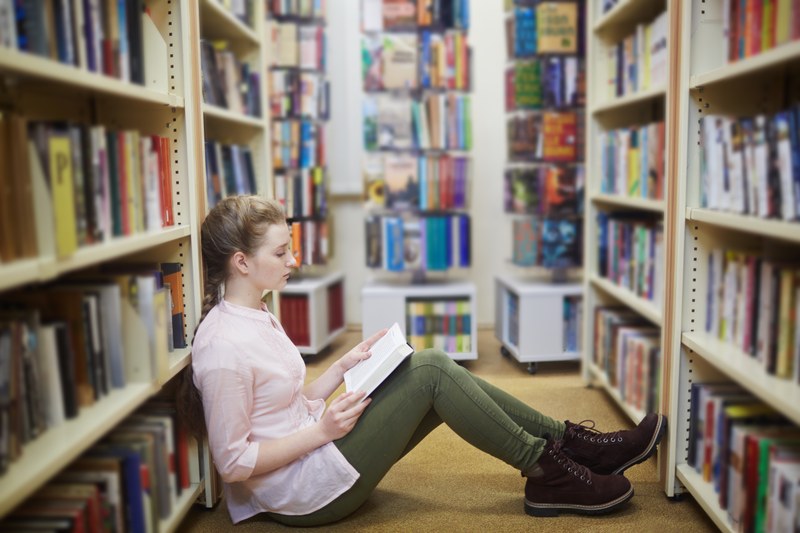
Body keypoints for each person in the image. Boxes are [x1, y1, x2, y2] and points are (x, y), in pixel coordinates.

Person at [178, 195, 667, 526]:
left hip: (312, 451)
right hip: (302, 495)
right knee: (431, 371)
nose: (294, 260)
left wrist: (343, 368)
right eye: (282, 252)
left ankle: (571, 449)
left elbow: (282, 405)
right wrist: (321, 432)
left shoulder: (255, 313)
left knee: (431, 366)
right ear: (241, 262)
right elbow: (234, 462)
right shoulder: (222, 347)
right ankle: (550, 471)